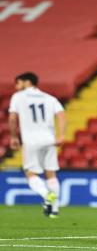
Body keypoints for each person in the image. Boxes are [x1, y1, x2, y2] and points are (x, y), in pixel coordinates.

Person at [8, 72, 66, 218]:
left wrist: (14, 137)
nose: (16, 86)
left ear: (26, 82)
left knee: (30, 173)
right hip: (49, 140)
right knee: (51, 173)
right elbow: (61, 115)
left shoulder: (18, 96)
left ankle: (47, 195)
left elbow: (12, 118)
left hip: (31, 141)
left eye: (18, 83)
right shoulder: (49, 98)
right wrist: (61, 135)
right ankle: (54, 210)